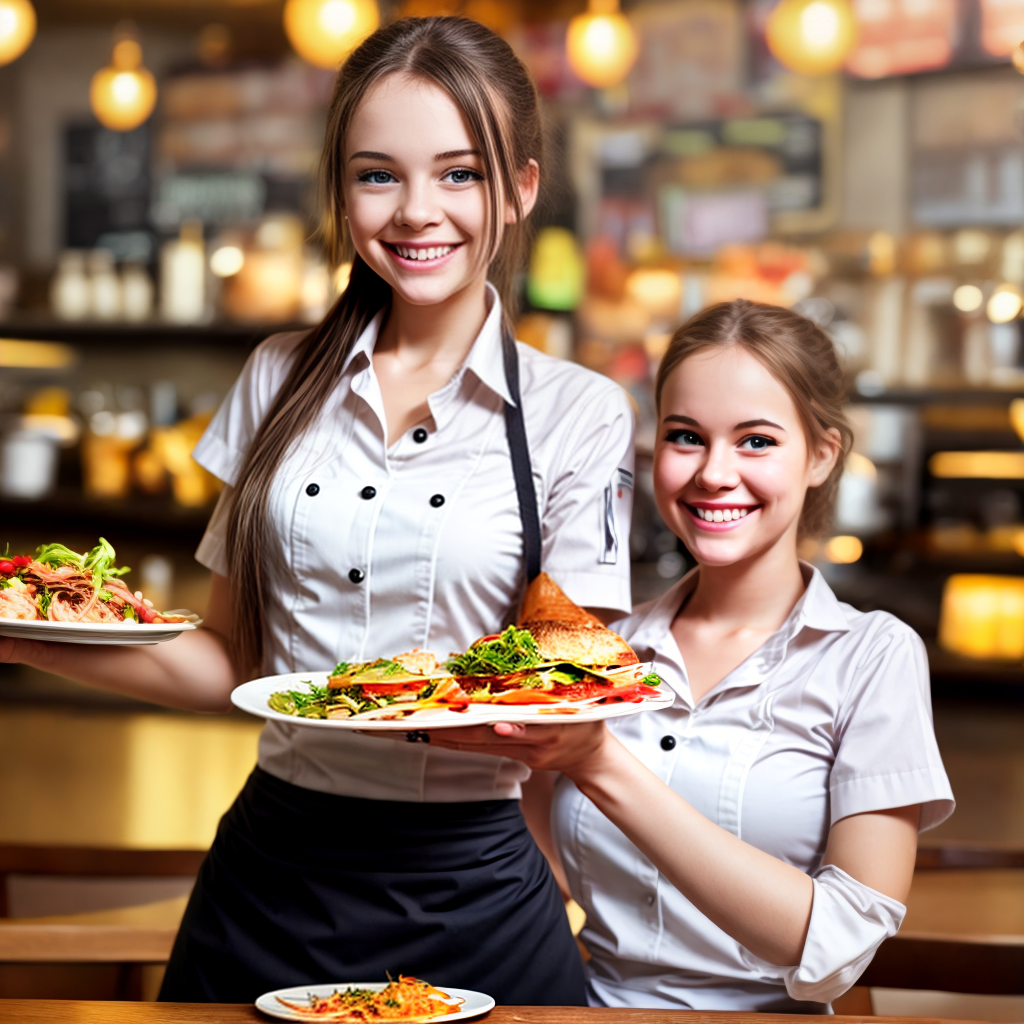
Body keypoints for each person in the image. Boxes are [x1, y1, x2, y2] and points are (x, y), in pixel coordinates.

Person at [0, 17, 635, 1005]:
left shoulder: (577, 415)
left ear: (520, 188)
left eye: (459, 174)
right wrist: (26, 639)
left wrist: (523, 726)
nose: (417, 211)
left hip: (470, 884)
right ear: (341, 192)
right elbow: (232, 660)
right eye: (377, 174)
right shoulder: (275, 378)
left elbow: (572, 693)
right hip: (273, 872)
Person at [430, 299, 955, 1013]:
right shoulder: (596, 658)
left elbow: (838, 949)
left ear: (822, 454)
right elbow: (534, 878)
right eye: (686, 437)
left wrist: (597, 761)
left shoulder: (870, 657)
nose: (713, 473)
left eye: (756, 441)